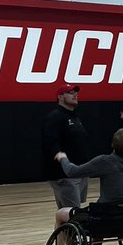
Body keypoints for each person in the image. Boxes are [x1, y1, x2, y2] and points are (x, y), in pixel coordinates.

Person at [54, 109, 123, 227]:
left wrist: (62, 158)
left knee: (60, 214)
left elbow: (72, 171)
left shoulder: (105, 162)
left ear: (112, 144)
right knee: (101, 210)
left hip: (102, 216)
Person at [42, 85, 91, 226]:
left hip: (79, 171)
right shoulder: (56, 117)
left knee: (69, 212)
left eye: (76, 92)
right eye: (70, 93)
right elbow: (50, 140)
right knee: (74, 215)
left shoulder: (74, 117)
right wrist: (58, 154)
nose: (75, 95)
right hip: (65, 175)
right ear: (60, 97)